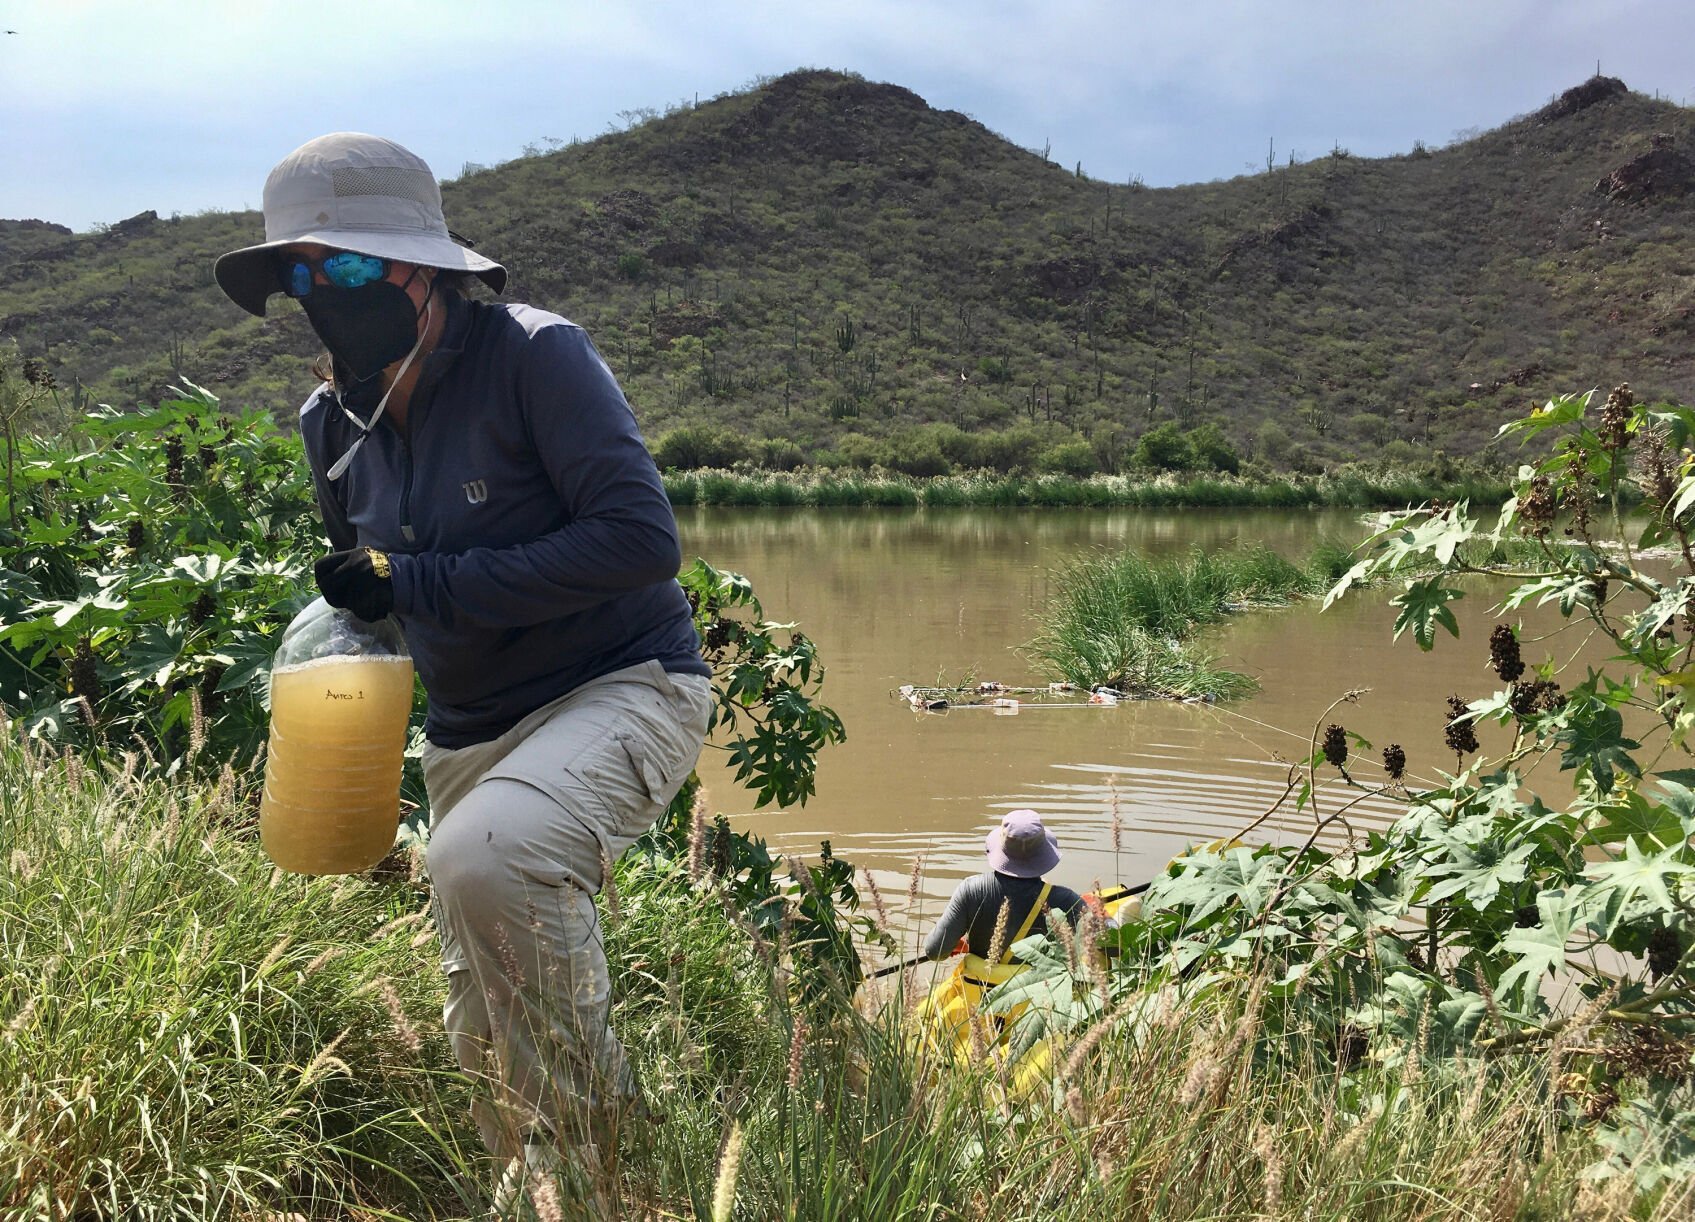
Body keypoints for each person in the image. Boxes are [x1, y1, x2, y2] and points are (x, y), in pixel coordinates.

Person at [214, 133, 714, 1198]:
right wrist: (351, 636)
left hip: (621, 681)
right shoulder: (327, 421)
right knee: (476, 1015)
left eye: (345, 264)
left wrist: (421, 581)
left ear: (421, 265)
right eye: (299, 272)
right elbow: (387, 599)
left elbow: (640, 541)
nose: (321, 290)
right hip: (468, 725)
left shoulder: (534, 355)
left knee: (489, 859)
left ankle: (602, 1178)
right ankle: (534, 1187)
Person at [922, 809, 1083, 962]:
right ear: (1043, 853)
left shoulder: (970, 890)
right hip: (1037, 989)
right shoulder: (1067, 901)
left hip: (980, 988)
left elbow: (935, 952)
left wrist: (961, 944)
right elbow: (1104, 945)